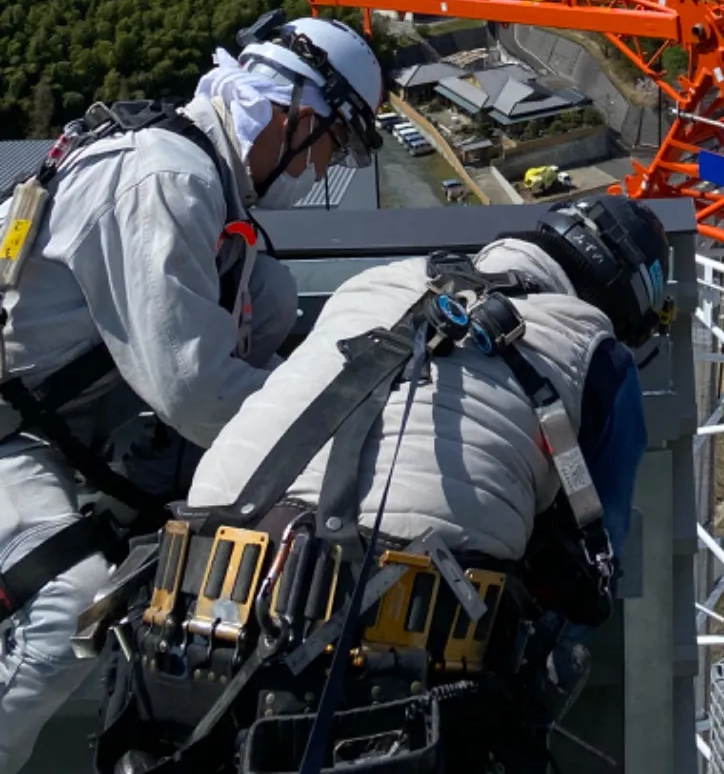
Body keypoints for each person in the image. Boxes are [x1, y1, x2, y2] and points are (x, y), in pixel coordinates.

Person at [96, 197, 668, 774]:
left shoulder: (377, 280)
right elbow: (597, 558)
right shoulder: (597, 351)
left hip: (184, 623)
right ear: (623, 301)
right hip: (383, 683)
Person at [0, 12, 383, 774]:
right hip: (16, 432)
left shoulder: (201, 174)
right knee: (75, 597)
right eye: (333, 144)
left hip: (59, 419)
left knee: (267, 290)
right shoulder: (167, 179)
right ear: (297, 113)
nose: (321, 168)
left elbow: (235, 337)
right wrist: (346, 434)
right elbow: (196, 392)